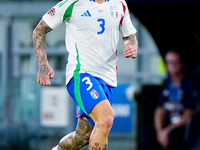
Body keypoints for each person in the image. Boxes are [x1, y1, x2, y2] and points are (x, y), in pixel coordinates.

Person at [32, 0, 138, 149]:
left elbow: (130, 36)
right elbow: (39, 30)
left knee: (83, 137)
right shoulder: (72, 3)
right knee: (106, 118)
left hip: (108, 79)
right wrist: (43, 65)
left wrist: (131, 47)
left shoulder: (119, 3)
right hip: (81, 73)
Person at [142, 50, 195, 150]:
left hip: (181, 126)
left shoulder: (188, 84)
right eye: (169, 62)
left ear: (181, 63)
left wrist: (168, 130)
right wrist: (159, 131)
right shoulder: (166, 83)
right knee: (148, 133)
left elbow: (189, 113)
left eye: (174, 62)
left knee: (175, 134)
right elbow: (160, 110)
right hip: (167, 123)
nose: (171, 65)